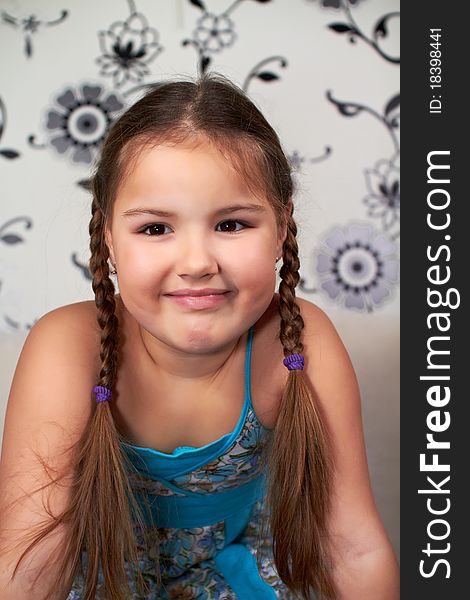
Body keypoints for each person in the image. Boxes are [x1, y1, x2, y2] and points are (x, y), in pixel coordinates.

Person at [0, 72, 399, 600]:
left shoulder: (296, 343)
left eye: (231, 224)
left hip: (239, 581)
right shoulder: (68, 346)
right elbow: (29, 565)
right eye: (155, 228)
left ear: (281, 228)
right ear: (107, 239)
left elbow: (351, 548)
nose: (196, 263)